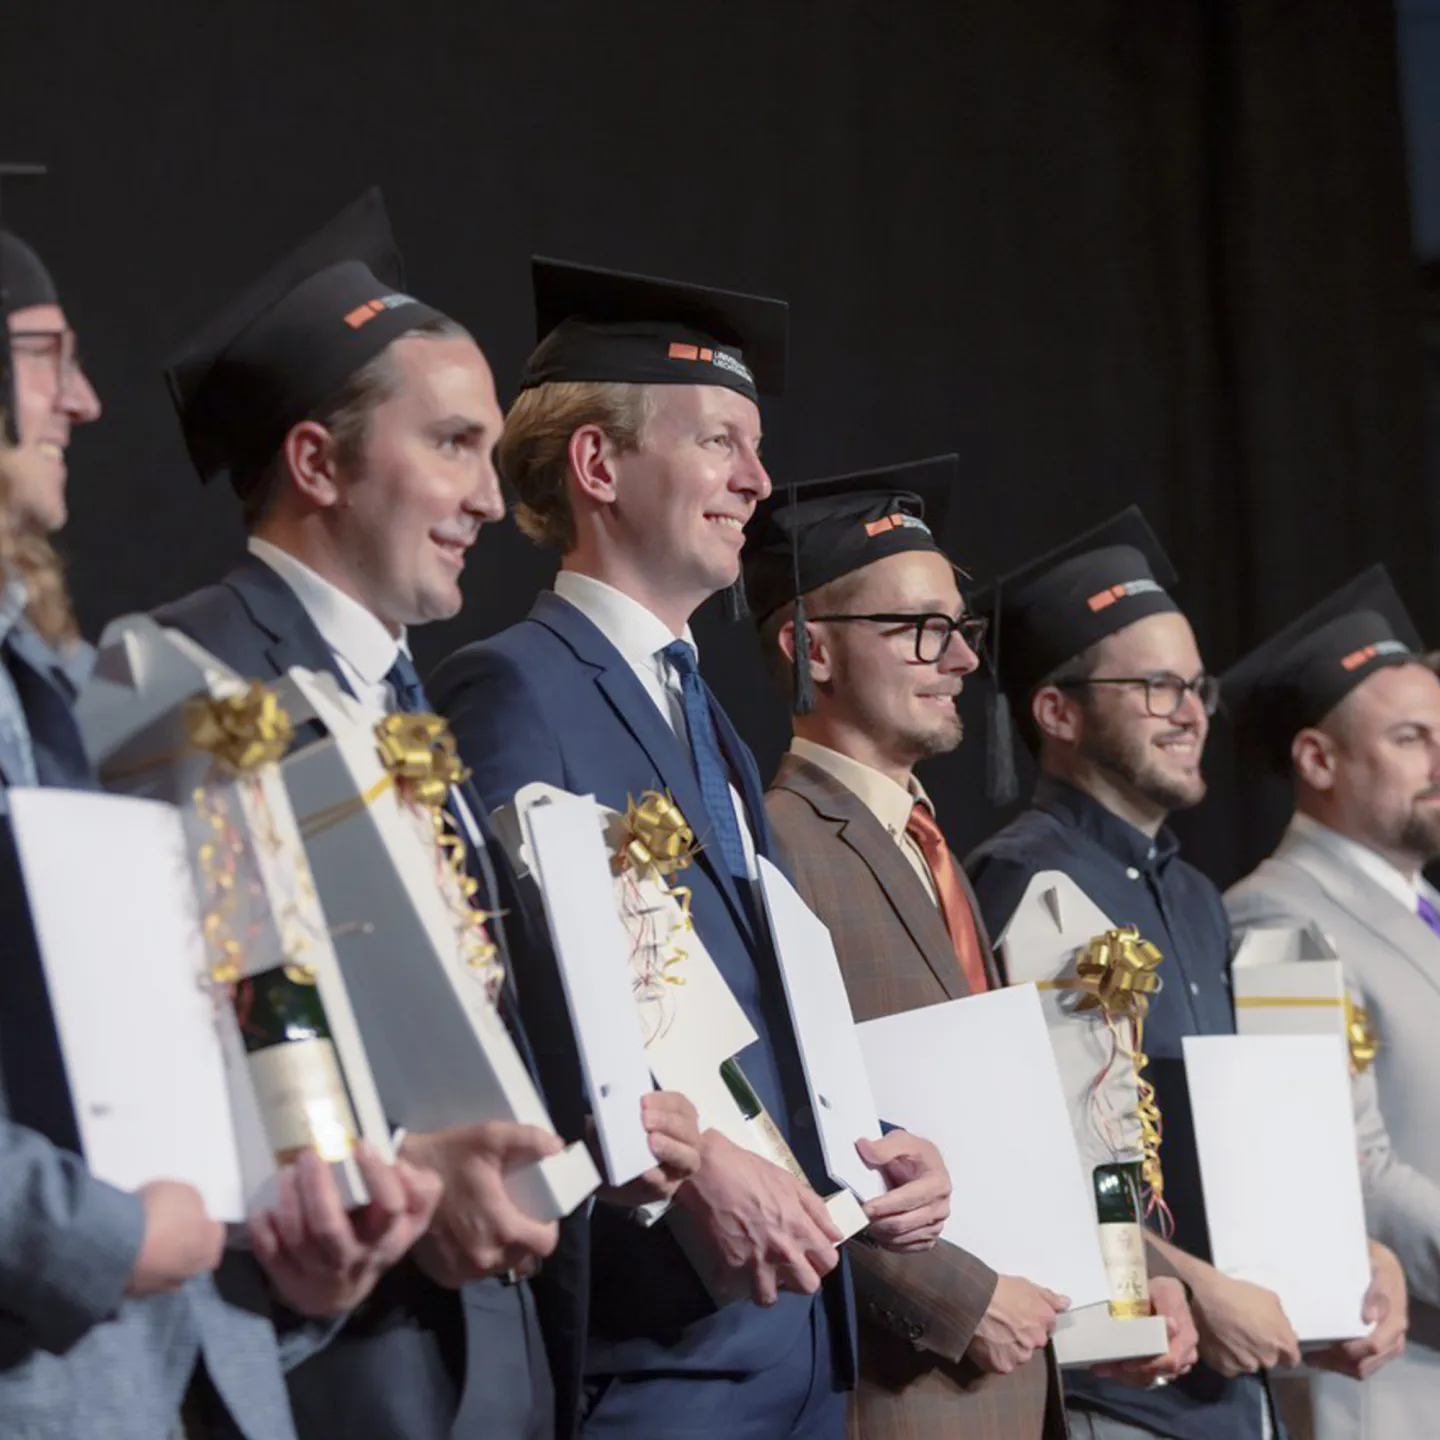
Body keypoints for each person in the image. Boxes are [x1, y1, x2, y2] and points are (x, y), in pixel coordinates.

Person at [151, 192, 701, 1440]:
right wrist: (399, 1161)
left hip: (501, 1340)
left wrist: (599, 1127)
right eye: (451, 444)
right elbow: (161, 1040)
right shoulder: (180, 679)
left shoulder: (403, 699)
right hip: (325, 1358)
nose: (491, 499)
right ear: (315, 462)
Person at [429, 258, 948, 1439]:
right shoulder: (515, 689)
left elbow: (731, 989)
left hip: (796, 1336)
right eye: (720, 441)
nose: (760, 482)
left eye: (754, 448)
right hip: (662, 1343)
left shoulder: (698, 704)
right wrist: (698, 1159)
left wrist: (863, 1146)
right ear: (599, 466)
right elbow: (518, 1005)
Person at [0, 186, 439, 1440]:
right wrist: (111, 1235)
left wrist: (283, 1251)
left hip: (191, 1381)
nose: (83, 402)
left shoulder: (84, 689)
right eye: (45, 360)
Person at [746, 458, 1199, 1440]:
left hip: (1021, 1384)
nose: (960, 662)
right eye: (921, 630)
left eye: (961, 631)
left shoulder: (930, 845)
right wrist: (953, 1298)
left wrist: (1128, 1285)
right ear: (809, 648)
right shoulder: (776, 843)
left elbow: (1030, 1122)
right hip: (900, 1389)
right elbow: (769, 1130)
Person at [963, 506, 1312, 1440]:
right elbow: (1057, 1152)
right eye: (1157, 687)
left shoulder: (1195, 895)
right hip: (1121, 1382)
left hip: (1239, 1380)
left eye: (1196, 686)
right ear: (1058, 712)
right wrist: (1200, 1285)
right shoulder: (1027, 880)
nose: (1193, 712)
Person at [1224, 565, 1427, 1440]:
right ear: (1318, 758)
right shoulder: (1279, 915)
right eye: (1414, 738)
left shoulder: (1420, 909)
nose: (1439, 760)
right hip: (1390, 1381)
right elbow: (1348, 1169)